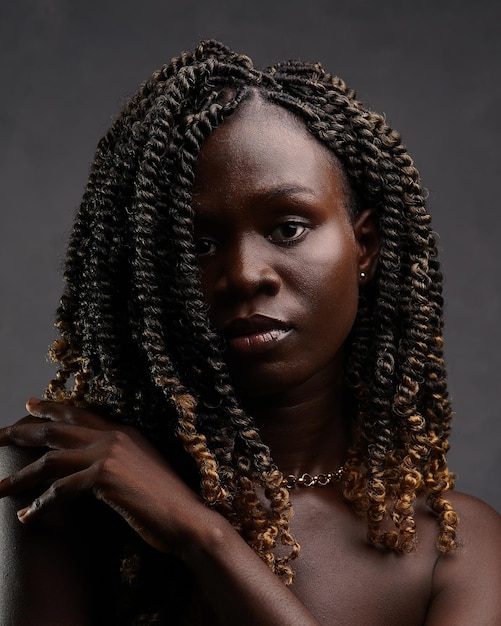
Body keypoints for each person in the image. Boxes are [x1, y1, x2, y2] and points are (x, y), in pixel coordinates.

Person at [0, 38, 500, 625]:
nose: (243, 275)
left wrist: (201, 536)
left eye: (287, 228)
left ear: (364, 246)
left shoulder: (455, 549)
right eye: (198, 244)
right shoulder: (76, 483)